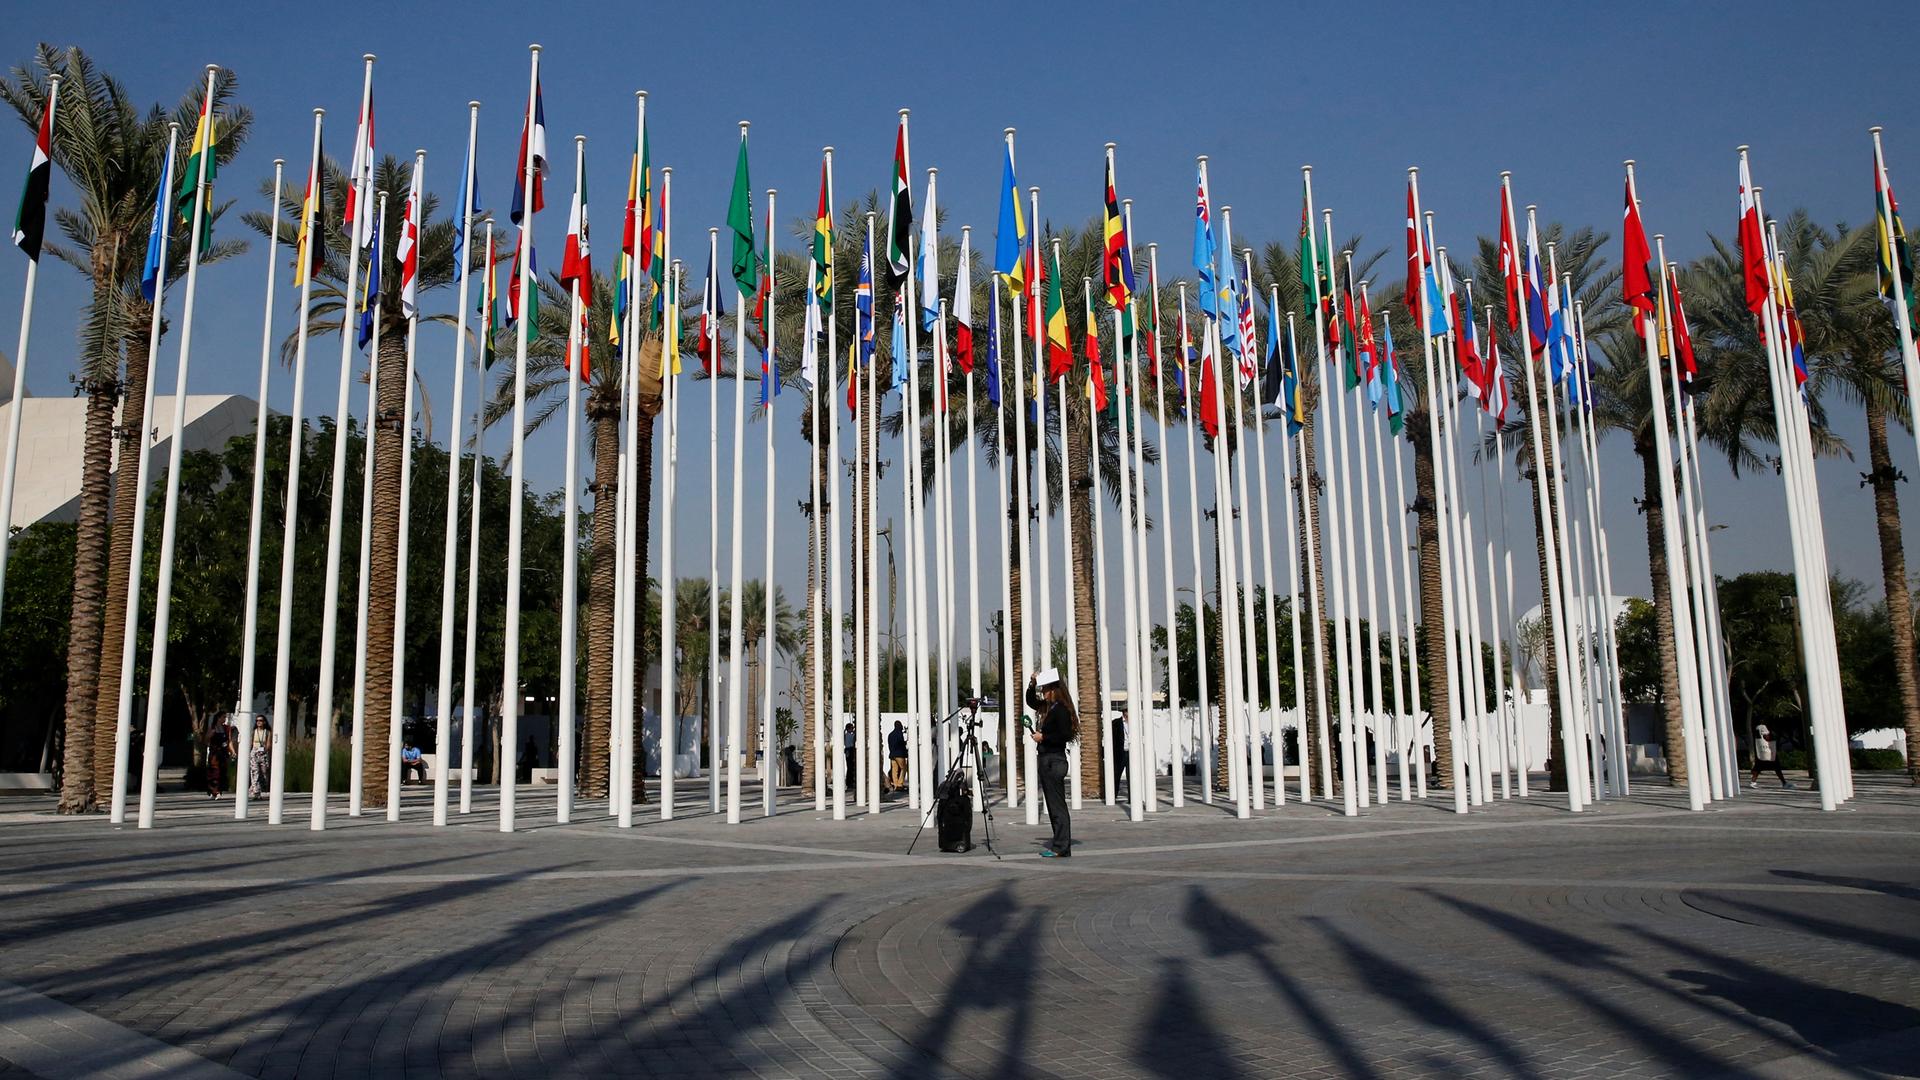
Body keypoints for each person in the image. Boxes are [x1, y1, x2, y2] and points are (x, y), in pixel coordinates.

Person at [1025, 668, 1077, 858]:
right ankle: (1059, 844)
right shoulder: (1050, 708)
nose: (1043, 693)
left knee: (1057, 806)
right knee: (1053, 805)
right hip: (1047, 759)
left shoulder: (1060, 710)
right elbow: (1031, 701)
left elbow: (1065, 735)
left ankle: (1062, 846)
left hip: (1054, 760)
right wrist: (1032, 684)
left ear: (1054, 689)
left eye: (1045, 689)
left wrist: (1044, 737)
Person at [1750, 724, 1794, 789]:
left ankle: (1753, 781)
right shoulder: (1763, 728)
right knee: (1776, 767)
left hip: (1762, 753)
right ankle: (1784, 782)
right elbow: (1766, 736)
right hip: (1768, 753)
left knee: (1758, 767)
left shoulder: (1757, 736)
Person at [247, 715, 271, 799]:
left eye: (260, 720)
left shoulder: (267, 732)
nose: (258, 722)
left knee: (263, 773)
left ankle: (255, 789)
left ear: (264, 722)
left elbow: (268, 744)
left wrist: (265, 750)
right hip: (254, 752)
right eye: (257, 720)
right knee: (255, 772)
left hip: (263, 753)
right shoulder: (254, 731)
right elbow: (250, 742)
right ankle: (256, 792)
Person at [204, 720, 228, 799]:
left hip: (222, 753)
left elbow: (228, 740)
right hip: (214, 753)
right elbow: (206, 741)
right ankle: (213, 790)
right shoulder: (212, 728)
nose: (224, 719)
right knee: (214, 771)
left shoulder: (225, 728)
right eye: (223, 717)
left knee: (222, 771)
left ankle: (218, 790)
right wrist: (210, 735)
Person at [1110, 708, 1129, 798]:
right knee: (1116, 775)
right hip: (1120, 753)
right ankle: (1113, 795)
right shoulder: (1116, 723)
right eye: (1127, 711)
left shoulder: (1135, 722)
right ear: (1124, 712)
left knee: (1132, 776)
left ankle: (1132, 797)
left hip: (1131, 752)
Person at [888, 720, 909, 792]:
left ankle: (895, 784)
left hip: (892, 755)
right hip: (899, 754)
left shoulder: (890, 734)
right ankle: (900, 784)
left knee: (894, 770)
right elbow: (901, 743)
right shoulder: (899, 733)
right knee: (904, 768)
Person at [843, 721, 858, 793]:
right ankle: (850, 782)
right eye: (851, 728)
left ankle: (850, 782)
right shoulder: (849, 735)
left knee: (850, 766)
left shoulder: (846, 735)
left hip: (848, 750)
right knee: (850, 766)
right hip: (850, 750)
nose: (852, 729)